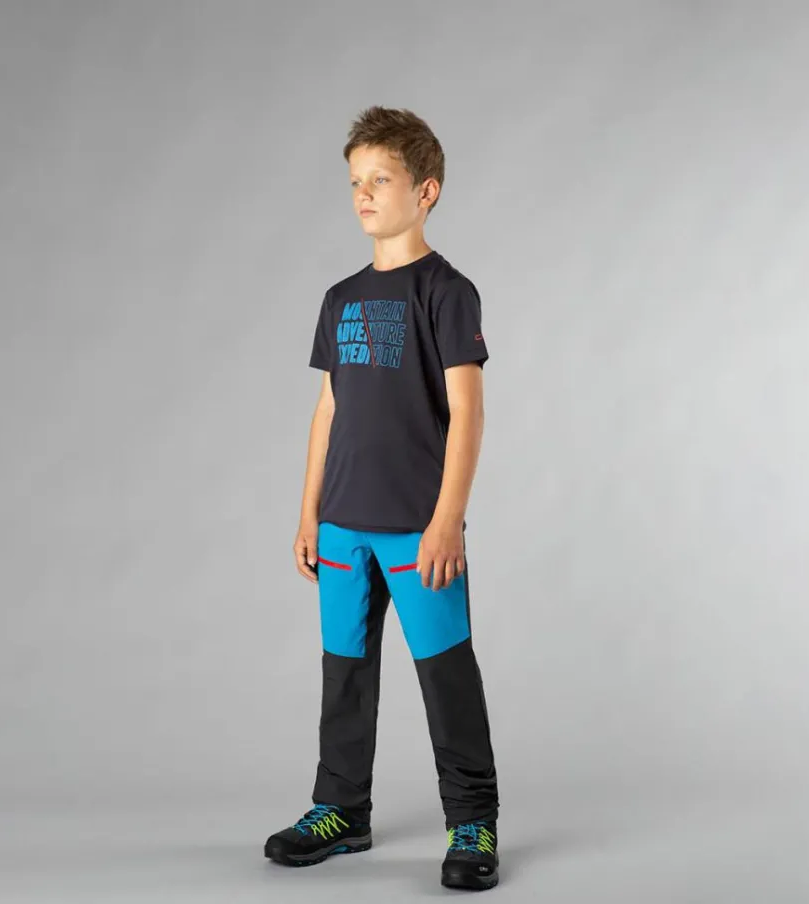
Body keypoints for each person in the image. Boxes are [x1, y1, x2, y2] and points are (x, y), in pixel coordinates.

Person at [263, 105, 500, 892]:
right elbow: (328, 409)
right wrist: (308, 514)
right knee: (344, 673)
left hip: (416, 529)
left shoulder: (447, 292)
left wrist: (446, 520)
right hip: (342, 526)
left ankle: (473, 822)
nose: (363, 194)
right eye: (355, 182)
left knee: (445, 675)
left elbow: (467, 414)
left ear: (425, 191)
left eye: (381, 179)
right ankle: (340, 810)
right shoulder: (340, 298)